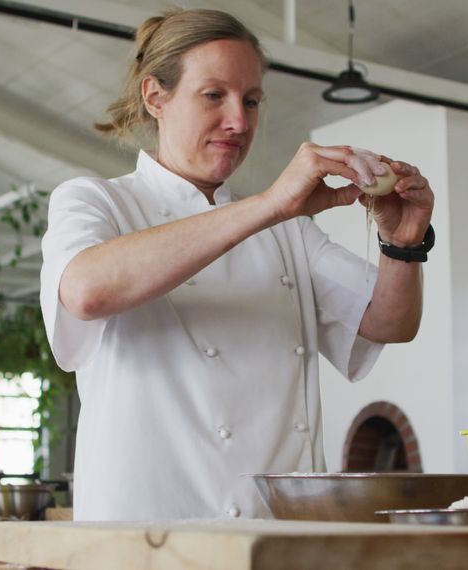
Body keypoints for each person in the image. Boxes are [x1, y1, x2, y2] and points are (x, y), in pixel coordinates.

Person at [40, 8, 434, 521]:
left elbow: (388, 322)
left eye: (251, 100)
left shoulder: (287, 229)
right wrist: (270, 204)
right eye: (213, 96)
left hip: (281, 539)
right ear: (155, 96)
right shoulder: (97, 202)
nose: (240, 121)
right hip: (149, 542)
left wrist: (402, 245)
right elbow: (86, 291)